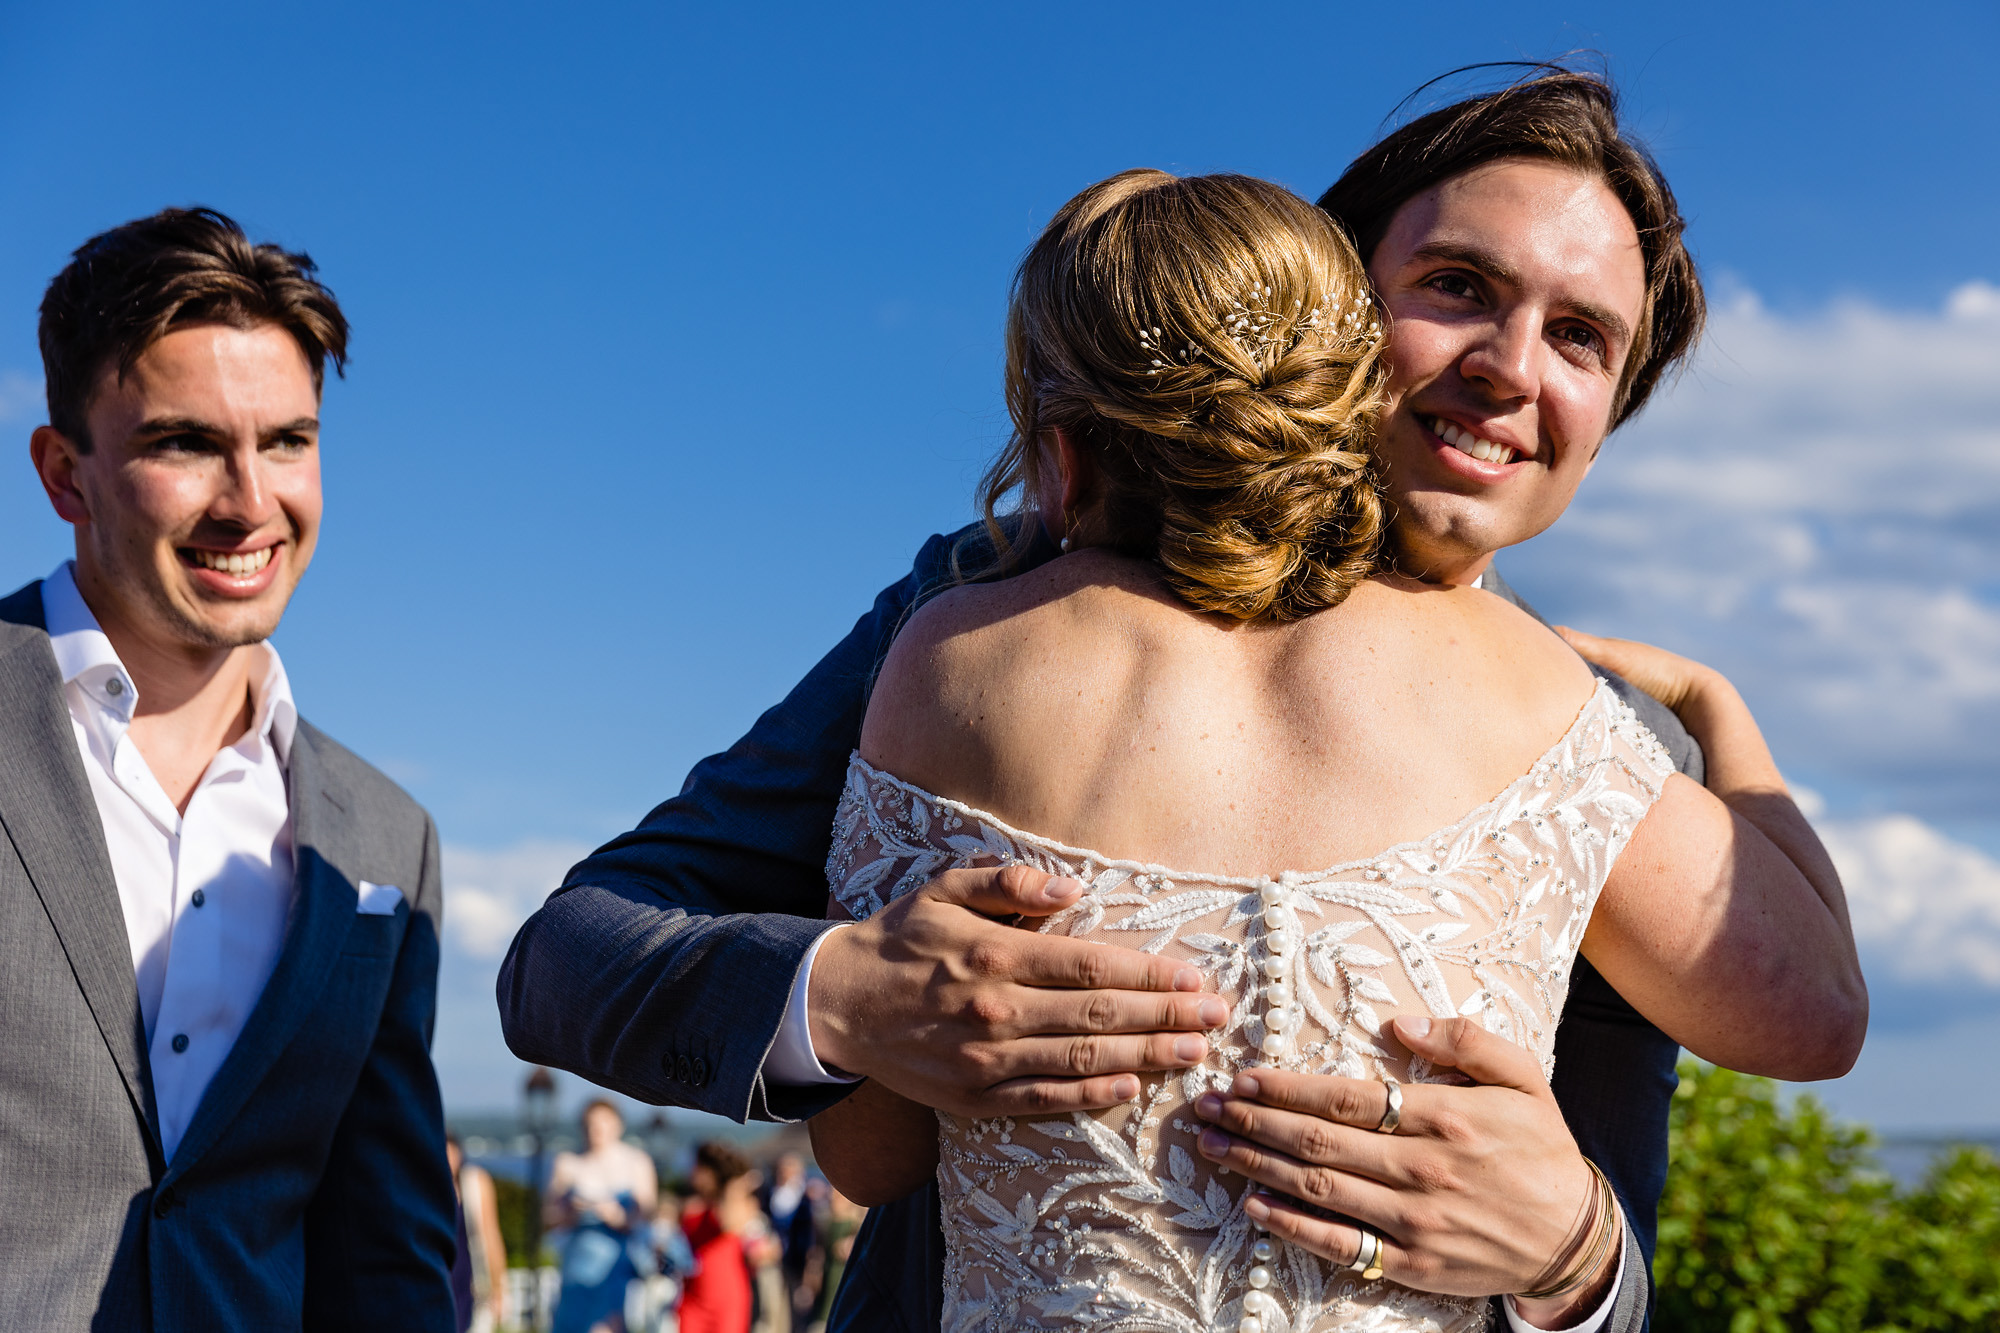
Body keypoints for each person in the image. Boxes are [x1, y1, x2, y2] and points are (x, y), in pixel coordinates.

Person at [496, 71, 1860, 1333]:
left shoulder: (1617, 737)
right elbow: (572, 954)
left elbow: (1631, 1226)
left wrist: (1576, 1259)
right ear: (1325, 303)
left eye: (1580, 337)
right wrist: (841, 999)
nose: (1512, 364)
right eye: (1455, 286)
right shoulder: (979, 599)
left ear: (1608, 409)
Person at [0, 207, 455, 1330]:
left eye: (289, 440)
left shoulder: (384, 839)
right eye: (186, 443)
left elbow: (386, 1244)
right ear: (66, 473)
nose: (252, 501)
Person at [547, 1099, 660, 1333]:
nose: (595, 1130)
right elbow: (548, 1216)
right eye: (589, 1124)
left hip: (615, 1264)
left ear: (618, 1125)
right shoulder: (567, 1162)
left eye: (601, 1123)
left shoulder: (637, 1162)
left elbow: (647, 1216)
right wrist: (570, 1212)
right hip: (577, 1263)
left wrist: (618, 1217)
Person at [678, 1141, 759, 1333]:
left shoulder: (742, 1204)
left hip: (727, 1301)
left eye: (699, 1168)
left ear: (713, 1172)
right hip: (692, 1298)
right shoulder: (691, 1206)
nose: (693, 1172)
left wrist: (733, 1184)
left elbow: (730, 1223)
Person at [448, 1133, 510, 1333]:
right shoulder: (422, 1187)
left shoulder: (474, 1183)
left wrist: (498, 1287)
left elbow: (490, 1235)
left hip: (468, 1276)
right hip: (441, 1275)